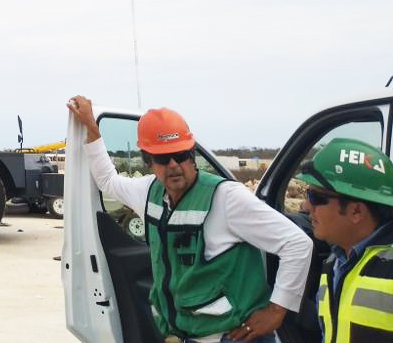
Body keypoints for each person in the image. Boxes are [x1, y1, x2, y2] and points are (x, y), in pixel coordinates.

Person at [67, 95, 312, 343]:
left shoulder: (226, 198)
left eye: (181, 154)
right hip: (186, 335)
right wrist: (91, 127)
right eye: (163, 158)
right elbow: (108, 181)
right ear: (148, 161)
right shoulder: (148, 192)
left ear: (191, 154)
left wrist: (277, 310)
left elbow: (297, 244)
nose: (174, 165)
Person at [298, 137, 393, 341]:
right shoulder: (334, 263)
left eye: (316, 197)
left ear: (356, 211)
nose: (306, 207)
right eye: (307, 194)